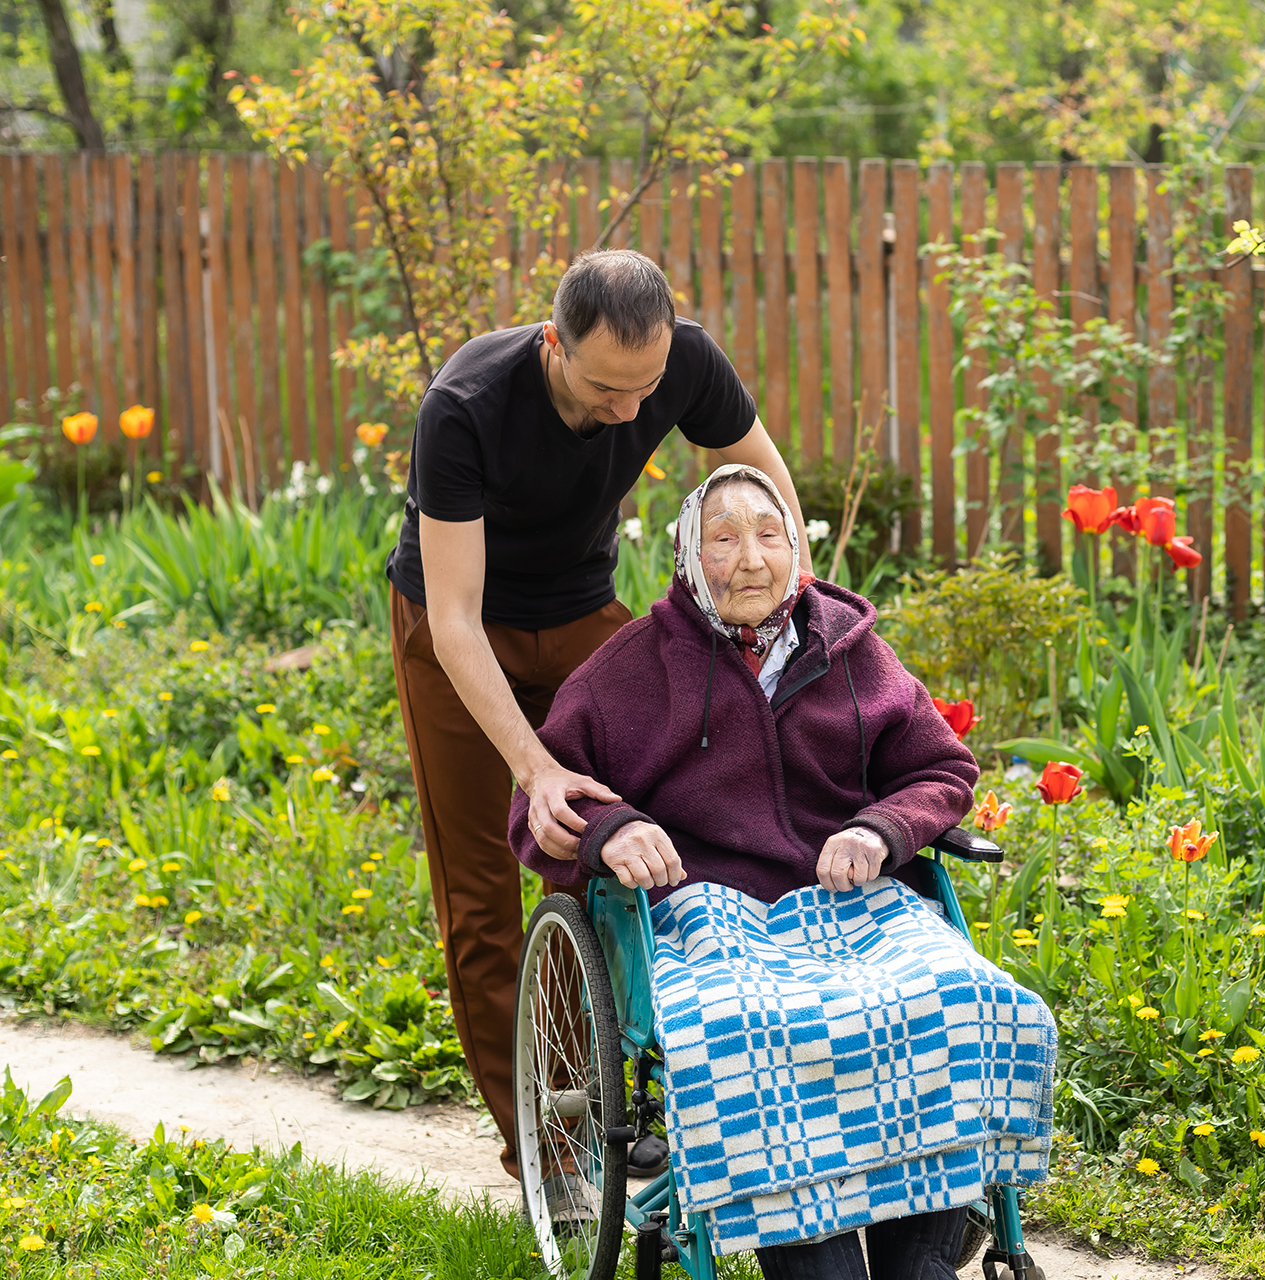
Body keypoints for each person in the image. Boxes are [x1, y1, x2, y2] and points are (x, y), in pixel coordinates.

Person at [508, 466, 1053, 1280]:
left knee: (968, 999)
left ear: (796, 549)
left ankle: (922, 1261)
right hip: (709, 914)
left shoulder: (850, 650)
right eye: (723, 539)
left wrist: (882, 827)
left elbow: (942, 768)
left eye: (769, 535)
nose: (751, 559)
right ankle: (818, 1259)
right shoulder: (633, 667)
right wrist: (611, 829)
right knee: (753, 1035)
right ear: (690, 559)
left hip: (854, 905)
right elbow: (540, 808)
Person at [384, 250, 810, 1182]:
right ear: (553, 345)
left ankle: (614, 1099)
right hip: (458, 628)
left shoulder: (684, 362)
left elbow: (777, 502)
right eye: (607, 389)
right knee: (484, 891)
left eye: (646, 388)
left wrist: (794, 615)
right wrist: (534, 768)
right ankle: (552, 1154)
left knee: (608, 854)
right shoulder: (466, 407)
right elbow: (456, 619)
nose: (630, 412)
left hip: (583, 613)